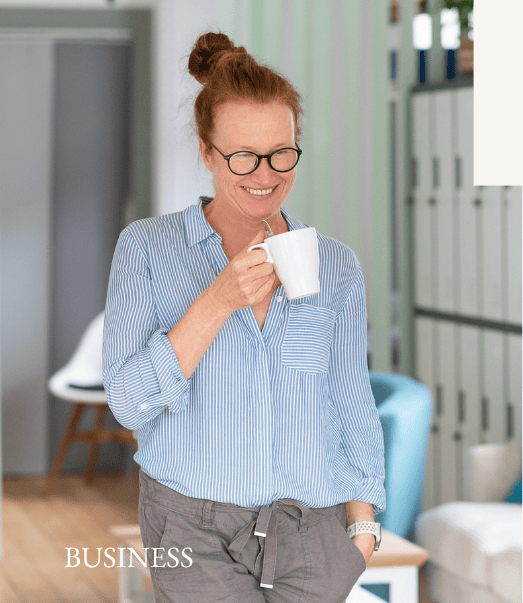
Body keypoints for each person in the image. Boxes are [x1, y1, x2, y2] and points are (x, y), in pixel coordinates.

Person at [103, 31, 385, 603]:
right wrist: (217, 300)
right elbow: (129, 402)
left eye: (282, 153)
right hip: (190, 528)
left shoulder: (336, 265)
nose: (265, 173)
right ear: (207, 154)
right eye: (242, 156)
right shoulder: (147, 251)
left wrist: (362, 529)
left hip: (315, 531)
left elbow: (350, 397)